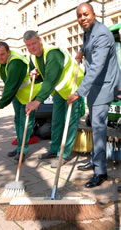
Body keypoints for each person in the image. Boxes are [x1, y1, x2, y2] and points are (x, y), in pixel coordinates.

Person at [67, 3, 121, 188]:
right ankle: (95, 159)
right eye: (80, 16)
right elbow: (89, 47)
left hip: (104, 86)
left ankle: (100, 172)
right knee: (94, 124)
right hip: (95, 87)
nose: (83, 18)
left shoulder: (103, 35)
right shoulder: (88, 30)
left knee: (98, 128)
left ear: (94, 14)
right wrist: (82, 51)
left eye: (86, 14)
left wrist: (78, 92)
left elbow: (97, 67)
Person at [24, 30, 84, 168]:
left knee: (70, 122)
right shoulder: (33, 57)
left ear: (40, 40)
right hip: (59, 91)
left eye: (34, 43)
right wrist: (33, 73)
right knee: (57, 121)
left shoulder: (53, 53)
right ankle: (54, 150)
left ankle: (64, 154)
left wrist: (37, 101)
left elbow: (50, 79)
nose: (32, 47)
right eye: (28, 45)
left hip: (74, 89)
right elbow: (38, 75)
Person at [0, 42, 41, 163]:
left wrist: (1, 104)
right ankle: (19, 146)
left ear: (8, 52)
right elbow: (5, 75)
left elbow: (11, 86)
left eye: (2, 55)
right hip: (17, 94)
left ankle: (22, 151)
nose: (0, 58)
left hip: (28, 93)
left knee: (25, 122)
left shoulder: (16, 63)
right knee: (18, 120)